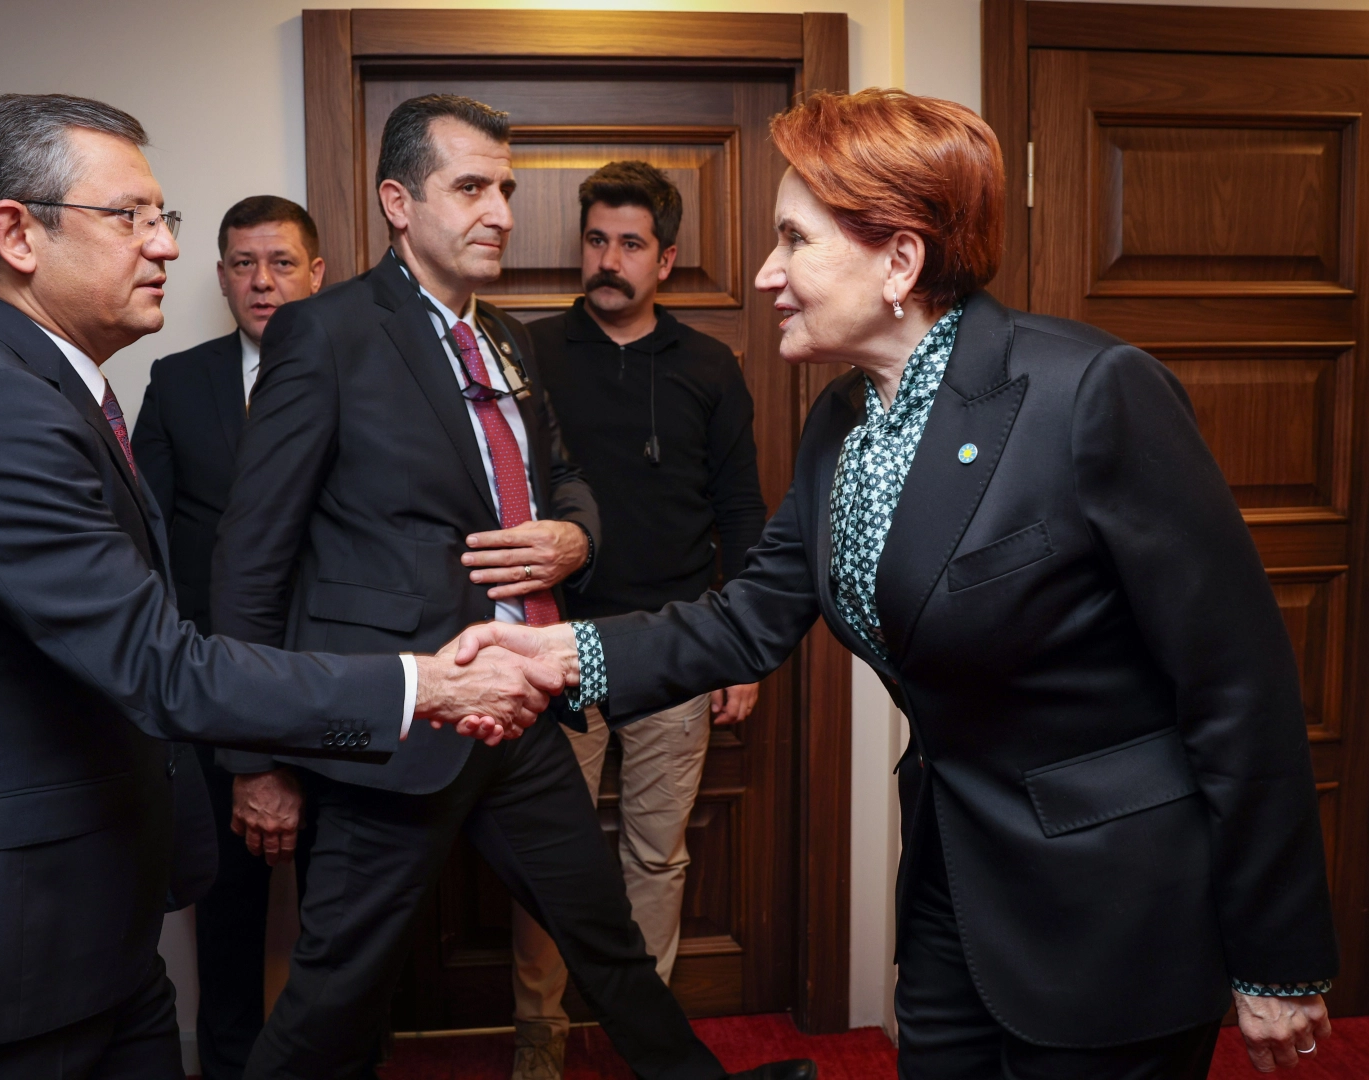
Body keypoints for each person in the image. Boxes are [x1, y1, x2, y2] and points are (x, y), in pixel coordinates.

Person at [454, 88, 1339, 1080]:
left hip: (1108, 909)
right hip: (952, 886)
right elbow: (747, 618)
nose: (764, 274)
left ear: (899, 261)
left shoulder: (1089, 394)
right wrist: (557, 652)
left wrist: (1278, 954)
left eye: (792, 240)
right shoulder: (842, 421)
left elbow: (1239, 687)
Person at [0, 92, 560, 1080]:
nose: (165, 248)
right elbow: (161, 664)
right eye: (130, 218)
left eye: (165, 220)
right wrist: (423, 685)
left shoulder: (49, 388)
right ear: (16, 232)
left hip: (86, 938)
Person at [209, 93, 812, 1080]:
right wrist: (253, 758)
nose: (500, 212)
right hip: (397, 725)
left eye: (507, 190)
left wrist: (574, 533)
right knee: (332, 992)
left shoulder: (508, 340)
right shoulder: (323, 336)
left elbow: (563, 474)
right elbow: (251, 554)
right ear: (398, 202)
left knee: (604, 940)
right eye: (472, 188)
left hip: (520, 713)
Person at [508, 160, 768, 1079]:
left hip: (678, 651)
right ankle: (539, 1032)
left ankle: (644, 1040)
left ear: (666, 257)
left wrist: (743, 652)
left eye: (629, 244)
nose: (607, 260)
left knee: (657, 858)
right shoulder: (526, 353)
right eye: (594, 240)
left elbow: (741, 512)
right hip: (555, 649)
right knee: (549, 858)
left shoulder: (708, 367)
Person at [131, 194, 325, 1080]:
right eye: (244, 264)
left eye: (281, 262)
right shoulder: (177, 380)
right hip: (213, 685)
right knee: (229, 903)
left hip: (337, 682)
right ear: (219, 277)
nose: (262, 280)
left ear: (315, 274)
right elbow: (144, 537)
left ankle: (339, 1059)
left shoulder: (358, 374)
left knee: (344, 901)